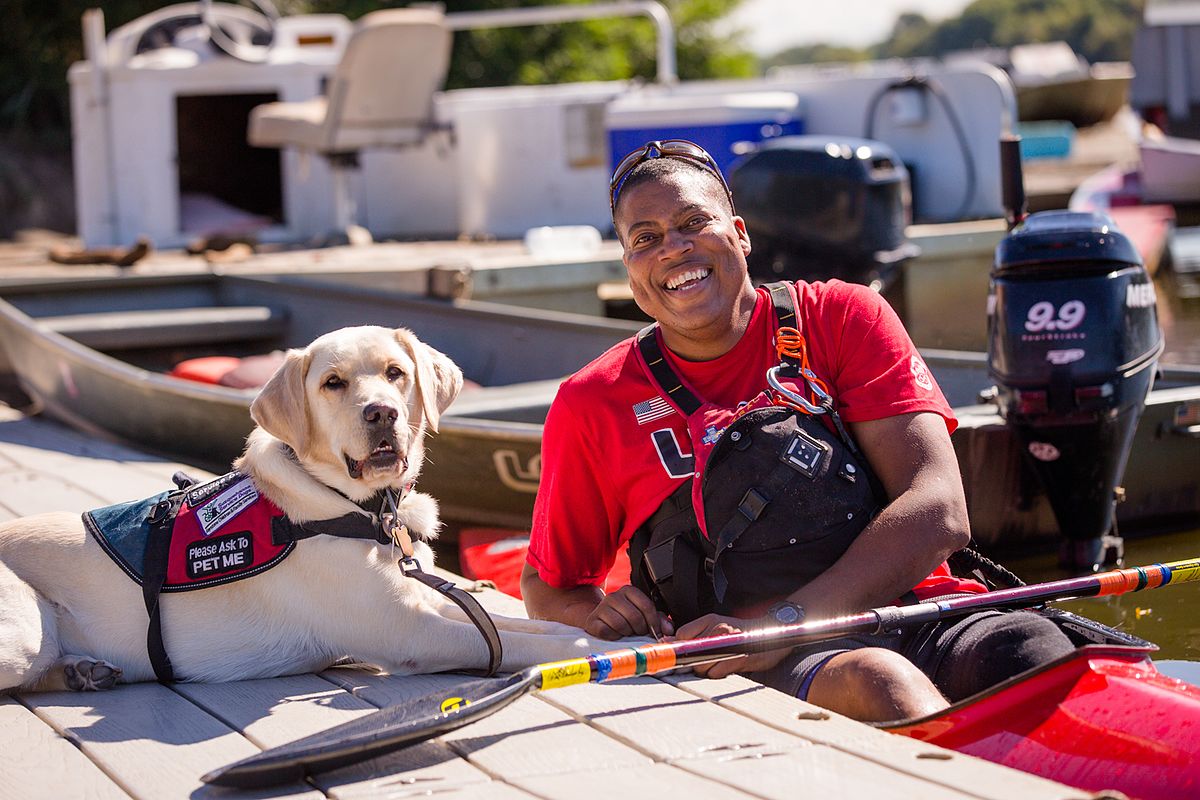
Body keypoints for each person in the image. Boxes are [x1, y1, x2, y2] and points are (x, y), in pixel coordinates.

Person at [520, 139, 1073, 722]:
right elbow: (551, 586)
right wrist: (598, 617)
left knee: (1033, 649)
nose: (673, 248)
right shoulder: (591, 402)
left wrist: (782, 622)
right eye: (646, 238)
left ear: (740, 232)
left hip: (918, 612)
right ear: (629, 270)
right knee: (879, 681)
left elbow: (938, 508)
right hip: (746, 664)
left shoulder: (844, 316)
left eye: (692, 222)